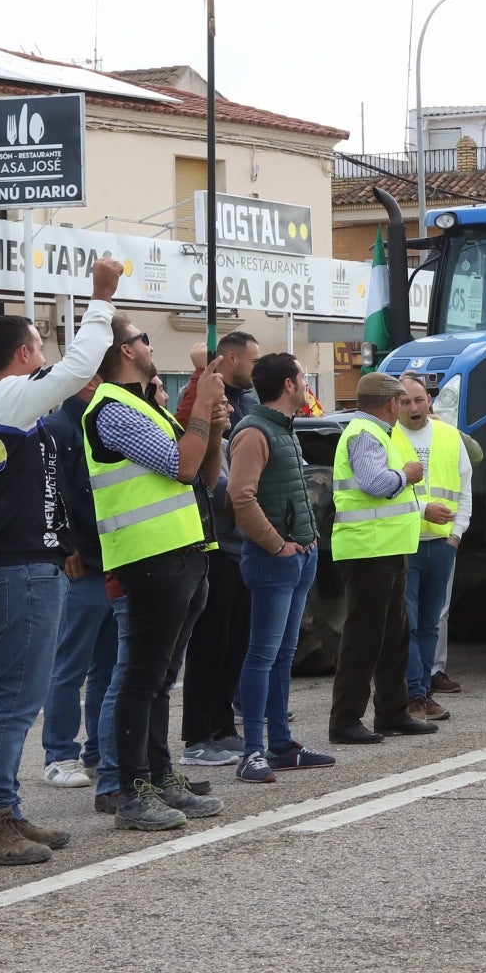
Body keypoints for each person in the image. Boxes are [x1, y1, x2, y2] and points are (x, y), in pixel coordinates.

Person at [0, 257, 120, 864]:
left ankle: (6, 812)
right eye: (38, 344)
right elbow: (77, 369)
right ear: (21, 354)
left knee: (21, 692)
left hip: (24, 563)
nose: (44, 354)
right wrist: (101, 297)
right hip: (16, 568)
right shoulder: (1, 400)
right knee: (16, 696)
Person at [88, 311, 229, 831]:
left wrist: (212, 427)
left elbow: (205, 475)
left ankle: (161, 775)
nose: (151, 346)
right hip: (149, 559)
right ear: (126, 350)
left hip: (184, 552)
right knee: (141, 679)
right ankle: (132, 790)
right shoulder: (113, 409)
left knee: (161, 678)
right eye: (144, 339)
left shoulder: (145, 407)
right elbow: (181, 466)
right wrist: (203, 402)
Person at [227, 352, 333, 781]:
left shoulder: (281, 429)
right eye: (304, 377)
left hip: (298, 556)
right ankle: (253, 751)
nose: (307, 384)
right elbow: (240, 496)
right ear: (289, 385)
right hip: (275, 560)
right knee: (263, 655)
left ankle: (282, 746)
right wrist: (276, 545)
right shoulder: (254, 432)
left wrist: (305, 543)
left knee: (282, 656)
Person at [328, 372, 434, 742]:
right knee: (364, 639)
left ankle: (393, 712)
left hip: (385, 549)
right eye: (402, 401)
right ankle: (346, 721)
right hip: (368, 551)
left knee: (393, 637)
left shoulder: (374, 433)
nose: (405, 407)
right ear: (391, 403)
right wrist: (406, 475)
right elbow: (376, 484)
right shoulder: (365, 434)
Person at [180, 331, 259, 769]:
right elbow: (217, 490)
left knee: (234, 645)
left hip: (241, 549)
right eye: (221, 404)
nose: (228, 409)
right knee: (210, 646)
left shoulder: (230, 438)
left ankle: (223, 726)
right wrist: (254, 492)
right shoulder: (208, 443)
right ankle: (197, 735)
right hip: (217, 549)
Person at [41, 384, 117, 792]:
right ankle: (58, 754)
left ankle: (99, 749)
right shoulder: (57, 427)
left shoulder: (101, 422)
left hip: (111, 560)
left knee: (108, 664)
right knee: (69, 667)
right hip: (81, 564)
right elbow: (48, 492)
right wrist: (63, 544)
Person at [398, 372, 474, 716]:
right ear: (394, 404)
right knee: (409, 623)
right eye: (405, 401)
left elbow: (465, 487)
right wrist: (422, 510)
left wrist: (457, 534)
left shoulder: (448, 435)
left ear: (429, 401)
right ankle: (415, 694)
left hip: (442, 545)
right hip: (405, 544)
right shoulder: (388, 437)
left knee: (430, 624)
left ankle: (423, 689)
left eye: (418, 400)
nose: (414, 407)